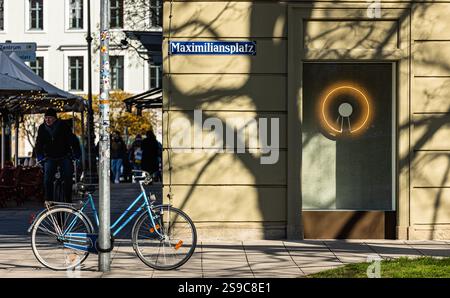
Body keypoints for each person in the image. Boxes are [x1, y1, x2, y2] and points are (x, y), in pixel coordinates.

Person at [35, 108, 81, 203]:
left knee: (68, 176)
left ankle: (68, 198)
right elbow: (38, 143)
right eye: (46, 118)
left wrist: (76, 154)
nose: (47, 120)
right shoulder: (42, 128)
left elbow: (73, 140)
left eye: (50, 118)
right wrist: (40, 156)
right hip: (49, 157)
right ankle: (49, 200)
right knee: (47, 179)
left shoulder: (63, 126)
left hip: (64, 155)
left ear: (55, 118)